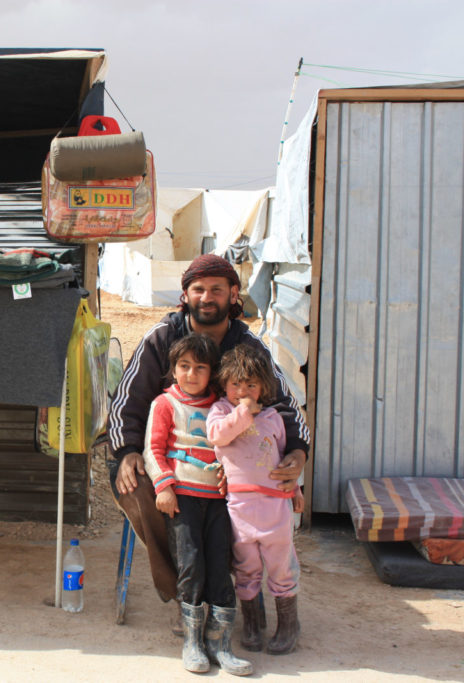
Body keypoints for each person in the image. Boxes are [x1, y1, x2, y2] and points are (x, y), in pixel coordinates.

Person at [107, 253, 310, 632]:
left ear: (234, 294)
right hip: (165, 459)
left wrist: (297, 453)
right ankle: (188, 599)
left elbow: (286, 405)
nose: (207, 297)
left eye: (217, 289)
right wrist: (126, 452)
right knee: (143, 491)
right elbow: (124, 403)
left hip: (229, 463)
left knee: (250, 500)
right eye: (198, 289)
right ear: (185, 295)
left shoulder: (248, 344)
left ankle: (242, 599)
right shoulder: (162, 338)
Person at [143, 333, 252, 676]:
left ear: (212, 373)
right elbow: (153, 449)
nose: (191, 374)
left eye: (200, 368)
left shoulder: (222, 406)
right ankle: (192, 642)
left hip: (219, 499)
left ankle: (220, 643)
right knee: (191, 563)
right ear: (173, 370)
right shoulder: (165, 404)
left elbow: (237, 444)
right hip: (183, 498)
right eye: (184, 366)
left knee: (221, 563)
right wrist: (164, 486)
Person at [206, 344, 302, 657]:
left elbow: (284, 459)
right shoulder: (221, 412)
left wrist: (295, 488)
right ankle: (252, 622)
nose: (243, 391)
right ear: (225, 385)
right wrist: (243, 411)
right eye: (236, 384)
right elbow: (219, 436)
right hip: (240, 507)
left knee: (280, 565)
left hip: (275, 505)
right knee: (246, 566)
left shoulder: (274, 417)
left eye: (251, 385)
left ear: (263, 387)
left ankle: (288, 624)